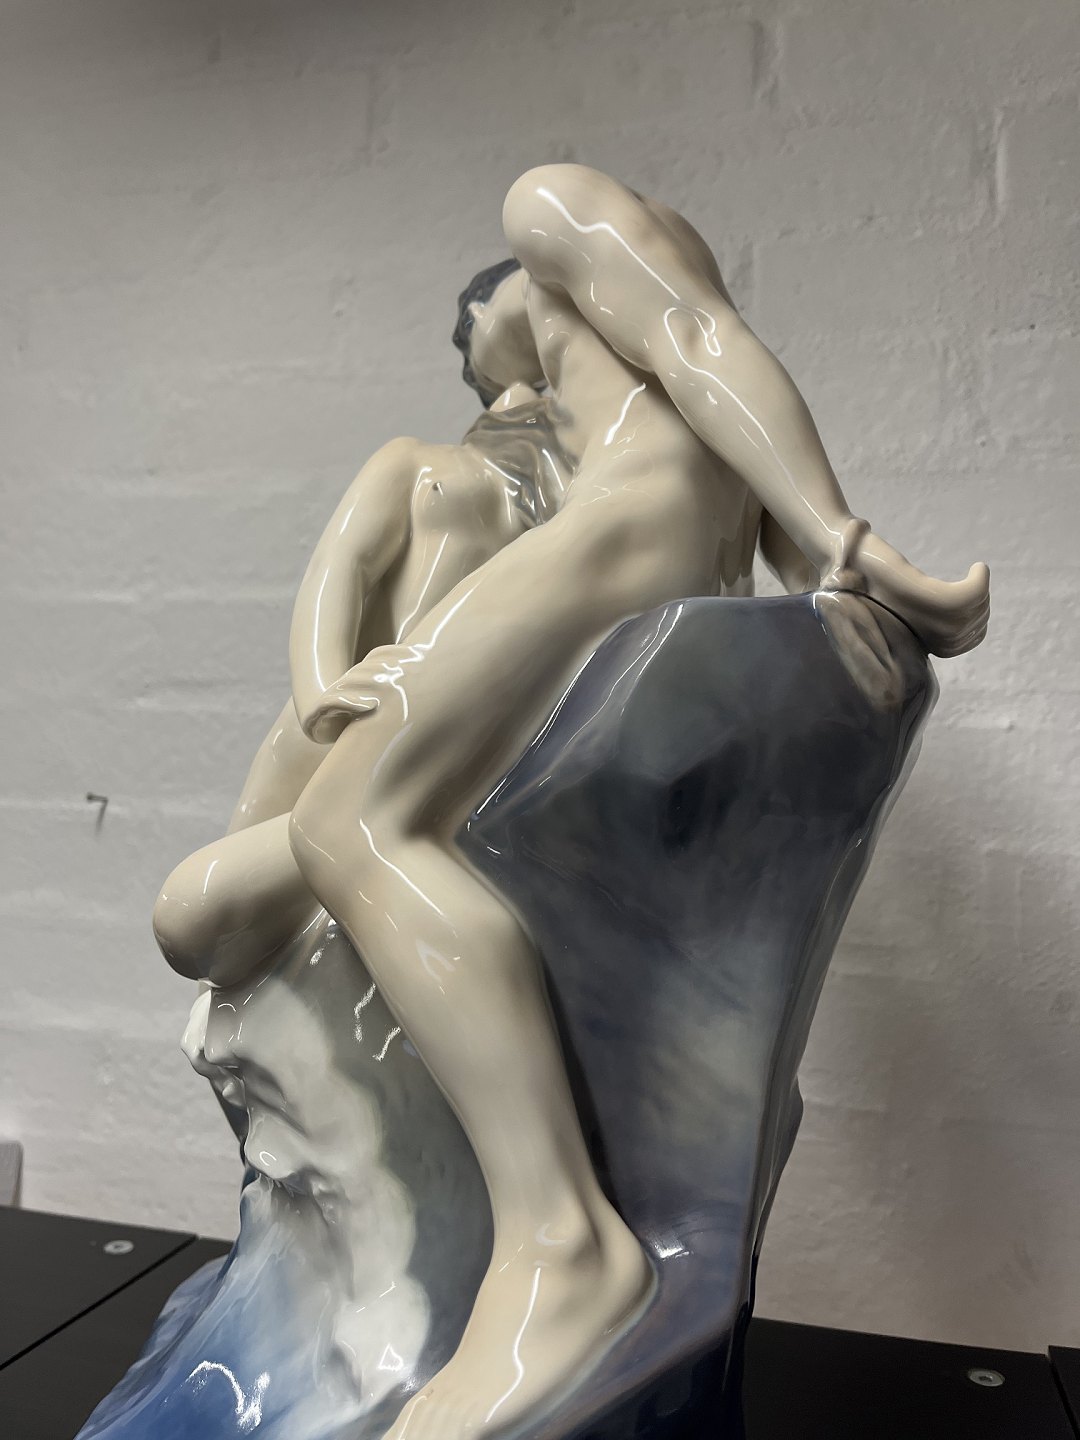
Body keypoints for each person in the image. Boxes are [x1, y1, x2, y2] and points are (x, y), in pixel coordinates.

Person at [278, 165, 989, 1440]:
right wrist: (820, 577)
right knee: (360, 825)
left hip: (623, 530)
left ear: (500, 300)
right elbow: (713, 382)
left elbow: (702, 338)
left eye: (473, 344)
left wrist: (846, 545)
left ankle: (560, 1244)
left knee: (348, 825)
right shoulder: (614, 366)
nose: (486, 380)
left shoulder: (545, 208)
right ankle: (558, 1241)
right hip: (673, 539)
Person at [152, 326, 565, 988]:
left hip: (451, 727)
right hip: (353, 704)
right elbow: (341, 564)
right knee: (226, 946)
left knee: (301, 909)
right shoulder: (416, 460)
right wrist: (321, 687)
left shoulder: (577, 493)